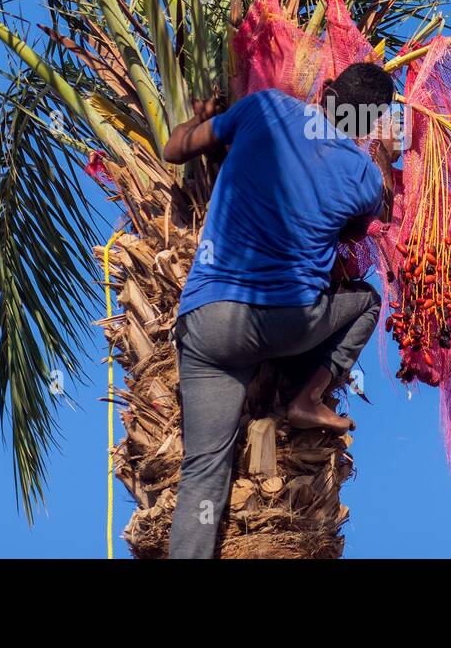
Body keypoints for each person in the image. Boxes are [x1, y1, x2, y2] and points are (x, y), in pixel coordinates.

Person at [161, 62, 396, 559]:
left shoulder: (265, 108)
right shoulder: (362, 175)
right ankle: (307, 398)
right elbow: (362, 229)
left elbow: (175, 148)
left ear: (327, 89)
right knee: (366, 302)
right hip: (280, 323)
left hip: (205, 321)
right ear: (370, 125)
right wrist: (387, 163)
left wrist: (199, 118)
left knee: (203, 470)